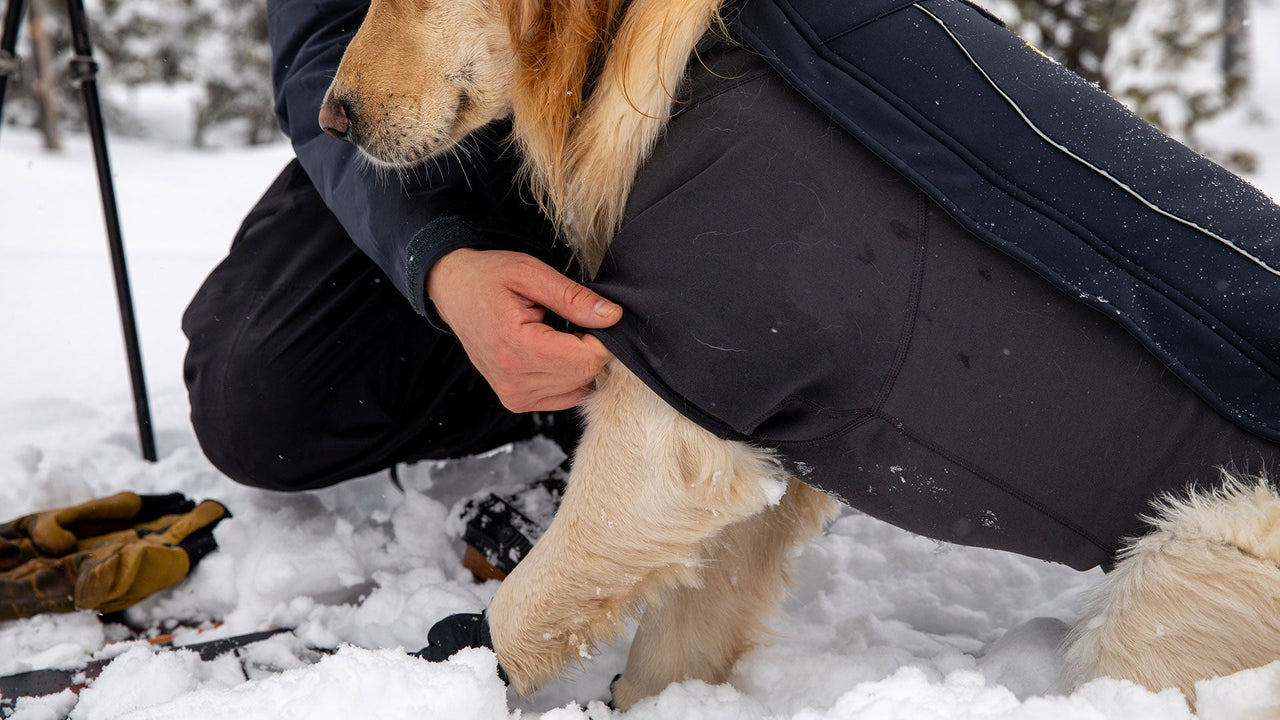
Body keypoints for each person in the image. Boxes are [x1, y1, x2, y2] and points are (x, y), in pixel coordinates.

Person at [181, 0, 618, 492]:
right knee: (252, 406)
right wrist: (440, 263)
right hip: (464, 171)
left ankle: (647, 418)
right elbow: (316, 42)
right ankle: (558, 396)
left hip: (645, 106)